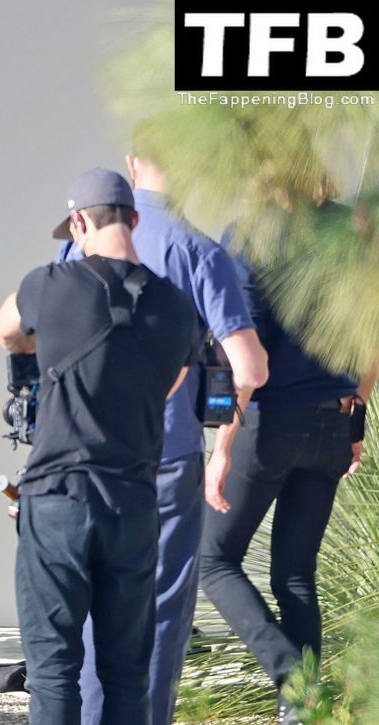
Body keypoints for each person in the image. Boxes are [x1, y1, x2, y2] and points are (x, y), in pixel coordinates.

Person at [65, 138, 269, 725]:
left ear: (133, 165)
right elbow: (250, 368)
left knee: (94, 598)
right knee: (157, 608)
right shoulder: (200, 250)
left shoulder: (77, 242)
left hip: (86, 450)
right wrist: (220, 423)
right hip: (166, 454)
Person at [0, 167, 199, 725]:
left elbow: (3, 328)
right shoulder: (178, 309)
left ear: (80, 222)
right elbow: (172, 384)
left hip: (58, 500)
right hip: (134, 505)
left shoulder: (49, 284)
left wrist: (42, 356)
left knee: (55, 670)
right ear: (134, 220)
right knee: (127, 673)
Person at [199, 214, 376, 724]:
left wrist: (222, 447)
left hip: (268, 423)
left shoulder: (253, 232)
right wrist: (355, 419)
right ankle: (302, 711)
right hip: (330, 424)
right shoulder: (350, 231)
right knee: (295, 573)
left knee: (213, 560)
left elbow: (243, 353)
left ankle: (297, 682)